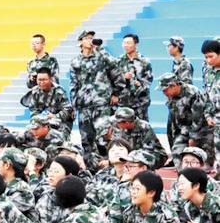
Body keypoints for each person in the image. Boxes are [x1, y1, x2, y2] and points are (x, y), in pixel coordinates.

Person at [69, 30, 125, 158]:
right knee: (86, 138)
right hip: (84, 105)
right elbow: (74, 84)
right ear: (80, 42)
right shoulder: (75, 61)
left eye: (92, 38)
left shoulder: (102, 57)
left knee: (104, 137)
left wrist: (116, 93)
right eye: (87, 38)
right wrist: (73, 104)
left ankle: (108, 163)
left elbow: (116, 71)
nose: (90, 40)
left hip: (101, 103)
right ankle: (90, 165)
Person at [158, 72, 214, 167]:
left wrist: (192, 139)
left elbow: (198, 120)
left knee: (204, 163)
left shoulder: (192, 93)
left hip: (202, 130)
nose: (164, 93)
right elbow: (176, 119)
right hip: (185, 129)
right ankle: (184, 172)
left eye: (165, 90)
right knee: (178, 155)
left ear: (174, 85)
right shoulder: (171, 96)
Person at [20, 68, 75, 138]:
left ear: (50, 79)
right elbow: (34, 111)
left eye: (44, 80)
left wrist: (55, 116)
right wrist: (39, 121)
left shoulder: (59, 91)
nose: (41, 82)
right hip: (43, 121)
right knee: (28, 135)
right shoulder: (35, 92)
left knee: (56, 138)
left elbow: (67, 110)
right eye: (39, 80)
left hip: (60, 122)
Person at [117, 33, 153, 120]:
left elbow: (148, 80)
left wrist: (139, 84)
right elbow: (115, 80)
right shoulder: (119, 61)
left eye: (128, 43)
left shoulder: (144, 61)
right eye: (124, 43)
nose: (125, 45)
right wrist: (123, 77)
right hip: (124, 101)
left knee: (141, 125)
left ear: (136, 44)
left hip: (140, 102)